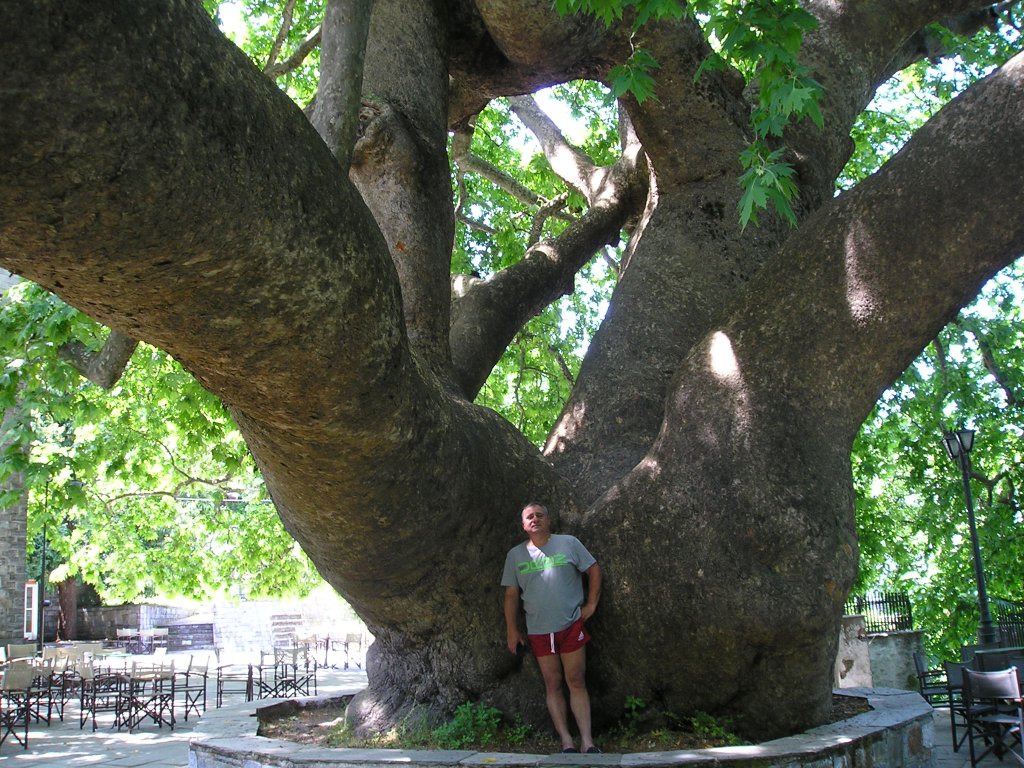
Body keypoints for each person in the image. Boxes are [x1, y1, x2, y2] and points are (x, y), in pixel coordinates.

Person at [501, 502, 602, 754]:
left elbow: (593, 569)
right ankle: (566, 741)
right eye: (529, 517)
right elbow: (511, 595)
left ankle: (587, 741)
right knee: (552, 682)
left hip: (570, 624)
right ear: (523, 525)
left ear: (548, 520)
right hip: (539, 630)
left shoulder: (568, 543)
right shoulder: (515, 555)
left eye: (539, 515)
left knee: (576, 679)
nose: (535, 519)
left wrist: (591, 604)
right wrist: (512, 630)